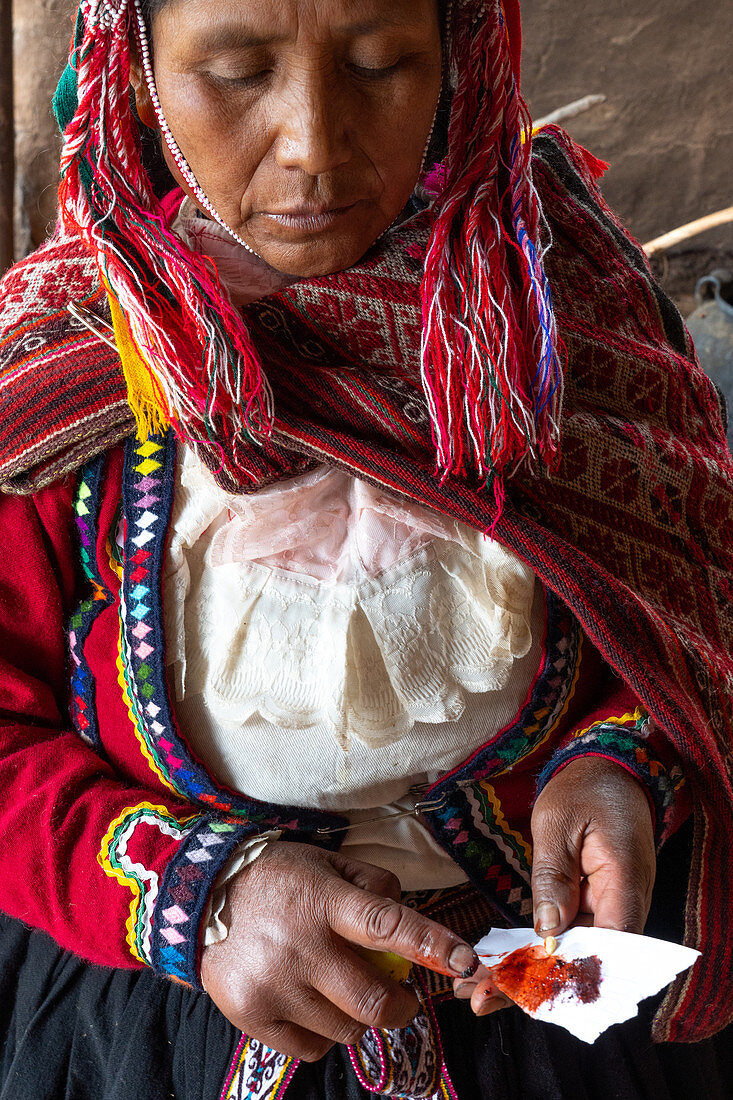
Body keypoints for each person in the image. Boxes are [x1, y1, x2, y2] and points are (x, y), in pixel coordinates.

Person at [0, 0, 731, 1097]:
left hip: (566, 1036)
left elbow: (693, 619)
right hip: (158, 1037)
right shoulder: (57, 371)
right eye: (239, 72)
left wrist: (620, 760)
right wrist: (204, 900)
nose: (315, 144)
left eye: (382, 64)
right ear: (137, 72)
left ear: (462, 60)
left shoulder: (567, 316)